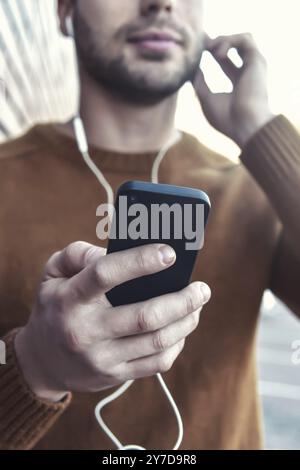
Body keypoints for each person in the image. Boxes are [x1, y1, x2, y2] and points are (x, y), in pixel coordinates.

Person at [0, 0, 299, 450]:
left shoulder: (254, 189)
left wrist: (258, 126)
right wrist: (34, 366)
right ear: (64, 13)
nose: (161, 3)